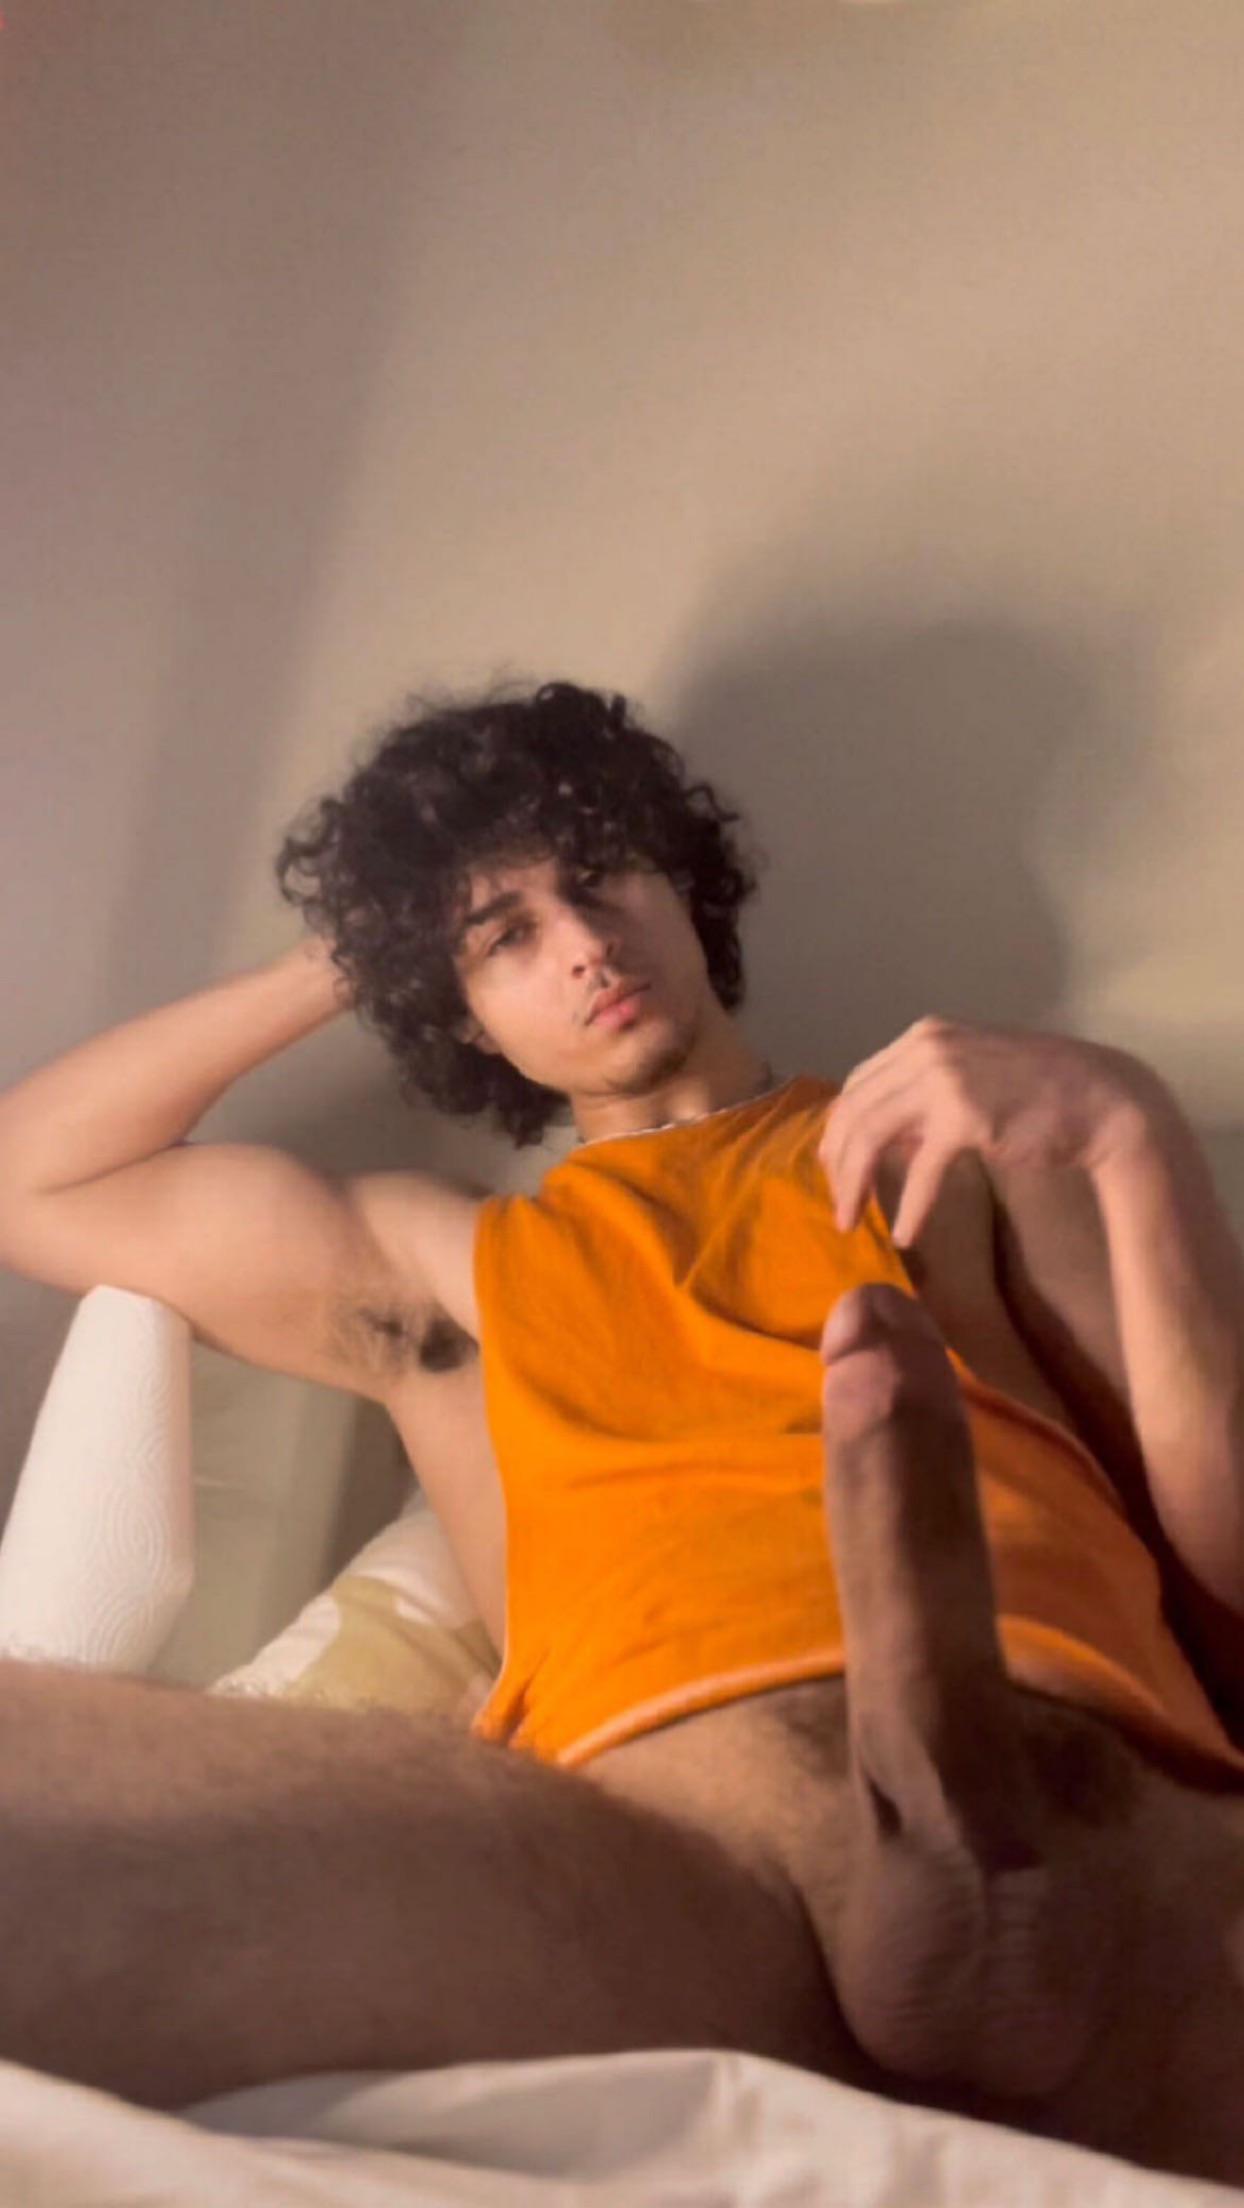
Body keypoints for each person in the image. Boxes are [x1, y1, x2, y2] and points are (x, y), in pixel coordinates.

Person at [2, 678, 1244, 2184]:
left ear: (682, 883)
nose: (583, 943)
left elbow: (1223, 1559)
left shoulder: (951, 1144)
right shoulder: (447, 1269)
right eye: (504, 938)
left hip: (1119, 1814)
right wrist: (365, 943)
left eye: (600, 875)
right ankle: (920, 1811)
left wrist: (1130, 1129)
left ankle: (943, 1776)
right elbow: (34, 1179)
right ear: (456, 1008)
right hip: (675, 1876)